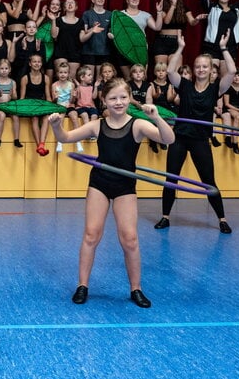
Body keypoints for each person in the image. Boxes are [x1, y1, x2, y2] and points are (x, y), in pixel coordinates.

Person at [49, 78, 175, 308]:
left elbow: (169, 139)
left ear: (130, 99)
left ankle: (136, 289)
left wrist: (156, 117)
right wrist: (56, 125)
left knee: (130, 239)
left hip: (125, 186)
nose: (118, 102)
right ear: (104, 100)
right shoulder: (98, 125)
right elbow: (65, 138)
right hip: (100, 183)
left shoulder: (137, 125)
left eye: (123, 97)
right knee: (91, 235)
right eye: (113, 98)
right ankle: (82, 285)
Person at [154, 31, 236, 234]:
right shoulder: (185, 86)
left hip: (200, 140)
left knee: (209, 181)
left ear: (210, 70)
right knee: (171, 179)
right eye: (197, 66)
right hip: (179, 138)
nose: (200, 69)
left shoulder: (216, 89)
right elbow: (171, 71)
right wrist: (180, 48)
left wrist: (224, 48)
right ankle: (165, 217)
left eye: (205, 67)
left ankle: (222, 219)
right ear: (193, 69)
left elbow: (232, 72)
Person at [152, 0, 205, 70]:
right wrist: (173, 5)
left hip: (176, 42)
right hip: (162, 41)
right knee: (161, 72)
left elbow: (192, 22)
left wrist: (197, 19)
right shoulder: (163, 6)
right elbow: (166, 21)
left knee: (175, 72)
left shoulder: (184, 8)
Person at [19, 54, 52, 155]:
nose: (37, 64)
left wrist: (50, 108)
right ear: (30, 64)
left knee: (46, 117)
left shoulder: (46, 78)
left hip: (41, 104)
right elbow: (22, 97)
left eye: (39, 62)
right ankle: (40, 146)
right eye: (34, 61)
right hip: (30, 105)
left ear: (41, 64)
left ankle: (41, 145)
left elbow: (48, 97)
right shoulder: (25, 78)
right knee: (35, 118)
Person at [51, 62, 82, 153]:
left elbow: (72, 101)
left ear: (68, 74)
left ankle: (78, 141)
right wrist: (55, 98)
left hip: (69, 106)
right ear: (57, 74)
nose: (63, 74)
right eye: (61, 72)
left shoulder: (71, 85)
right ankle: (60, 142)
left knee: (74, 117)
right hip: (60, 106)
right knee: (60, 118)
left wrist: (74, 97)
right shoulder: (54, 85)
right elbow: (54, 101)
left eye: (65, 72)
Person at [0, 59, 18, 147]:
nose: (4, 70)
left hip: (8, 106)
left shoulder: (13, 82)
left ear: (10, 70)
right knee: (2, 115)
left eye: (6, 68)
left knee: (16, 116)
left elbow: (15, 97)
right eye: (2, 68)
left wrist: (11, 95)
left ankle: (16, 139)